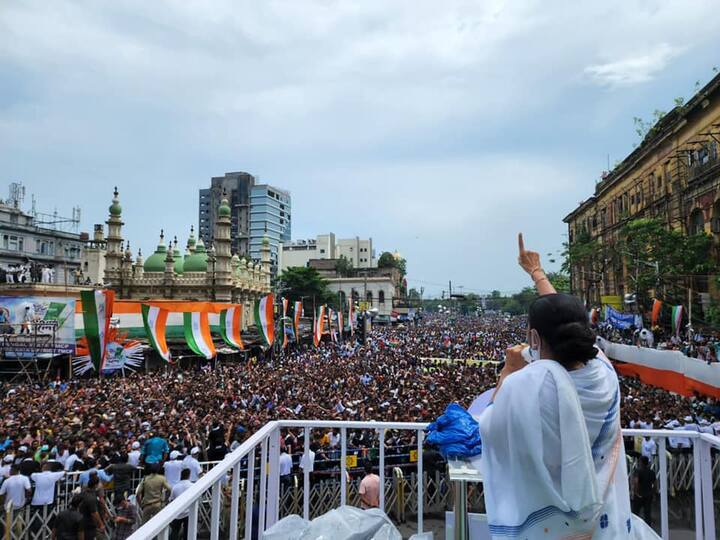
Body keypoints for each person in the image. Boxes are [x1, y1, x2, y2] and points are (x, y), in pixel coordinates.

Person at [476, 234, 659, 539]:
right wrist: (537, 273)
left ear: (534, 340)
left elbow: (491, 431)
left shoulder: (524, 388)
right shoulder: (603, 372)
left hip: (548, 526)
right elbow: (566, 319)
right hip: (603, 522)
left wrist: (508, 371)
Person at [169, 468, 193, 540]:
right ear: (189, 475)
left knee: (175, 531)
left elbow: (171, 499)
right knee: (187, 532)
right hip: (189, 512)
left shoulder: (175, 487)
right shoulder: (192, 485)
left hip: (178, 512)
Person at [79, 475, 105, 540]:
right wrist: (101, 524)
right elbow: (94, 513)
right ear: (95, 485)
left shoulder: (83, 493)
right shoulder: (92, 498)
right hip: (88, 525)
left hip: (80, 522)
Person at [632, 456, 656, 527]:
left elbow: (636, 482)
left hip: (639, 495)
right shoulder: (652, 472)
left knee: (635, 513)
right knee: (647, 514)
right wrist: (653, 493)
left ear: (641, 462)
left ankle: (634, 528)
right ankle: (648, 529)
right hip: (648, 495)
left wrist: (635, 492)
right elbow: (655, 484)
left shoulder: (637, 471)